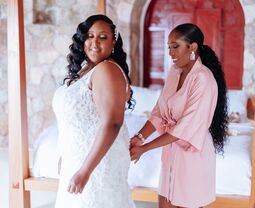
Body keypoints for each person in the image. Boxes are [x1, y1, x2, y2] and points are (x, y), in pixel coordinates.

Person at [130, 23, 228, 208]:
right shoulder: (174, 72)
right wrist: (139, 137)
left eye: (175, 46)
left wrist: (144, 149)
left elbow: (185, 128)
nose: (170, 52)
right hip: (171, 152)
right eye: (169, 47)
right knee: (164, 203)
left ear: (192, 47)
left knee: (186, 203)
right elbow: (159, 112)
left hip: (192, 157)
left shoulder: (203, 79)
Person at [53, 14, 135, 208]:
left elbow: (113, 123)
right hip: (78, 160)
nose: (95, 42)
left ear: (113, 42)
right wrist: (66, 155)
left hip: (96, 166)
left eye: (103, 37)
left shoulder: (107, 70)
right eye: (90, 36)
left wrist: (85, 171)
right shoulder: (87, 70)